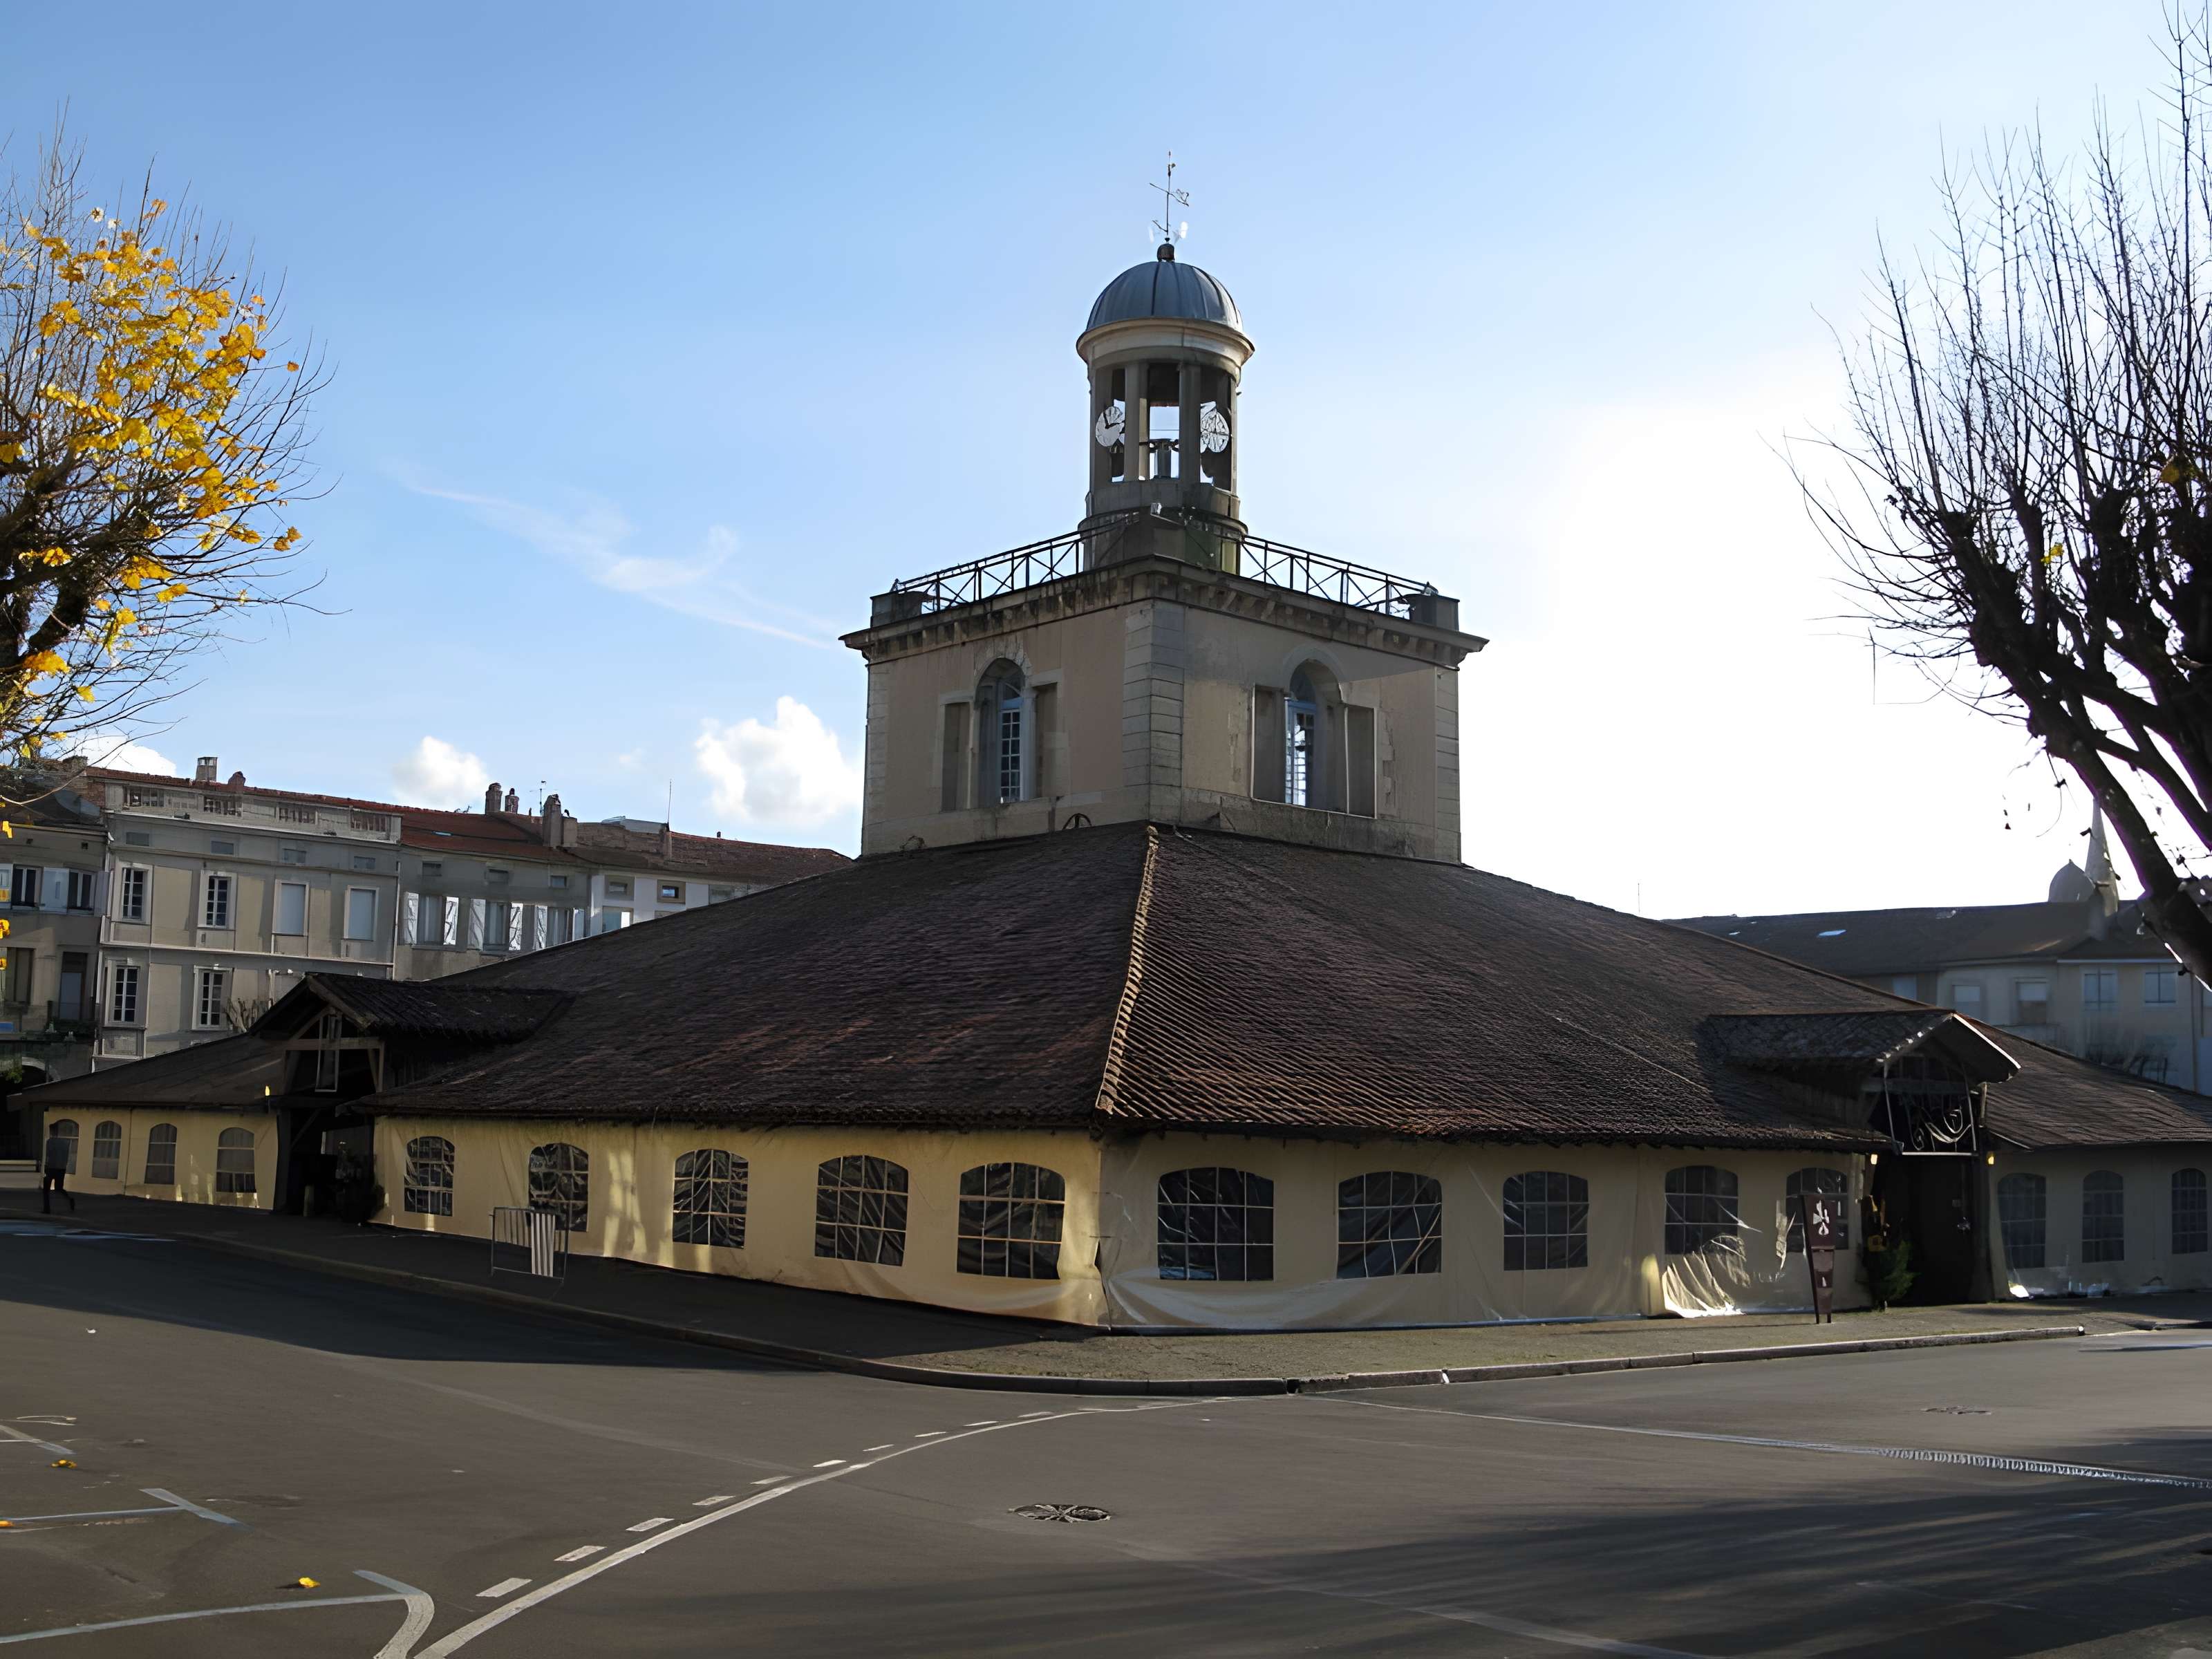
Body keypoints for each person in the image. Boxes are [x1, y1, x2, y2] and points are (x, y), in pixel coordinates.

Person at [40, 1125, 73, 1215]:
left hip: (51, 1168)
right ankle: (70, 1200)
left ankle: (47, 1209)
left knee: (46, 1190)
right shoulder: (66, 1143)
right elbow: (66, 1157)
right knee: (59, 1188)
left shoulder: (50, 1142)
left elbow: (48, 1156)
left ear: (51, 1131)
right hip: (61, 1169)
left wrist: (45, 1168)